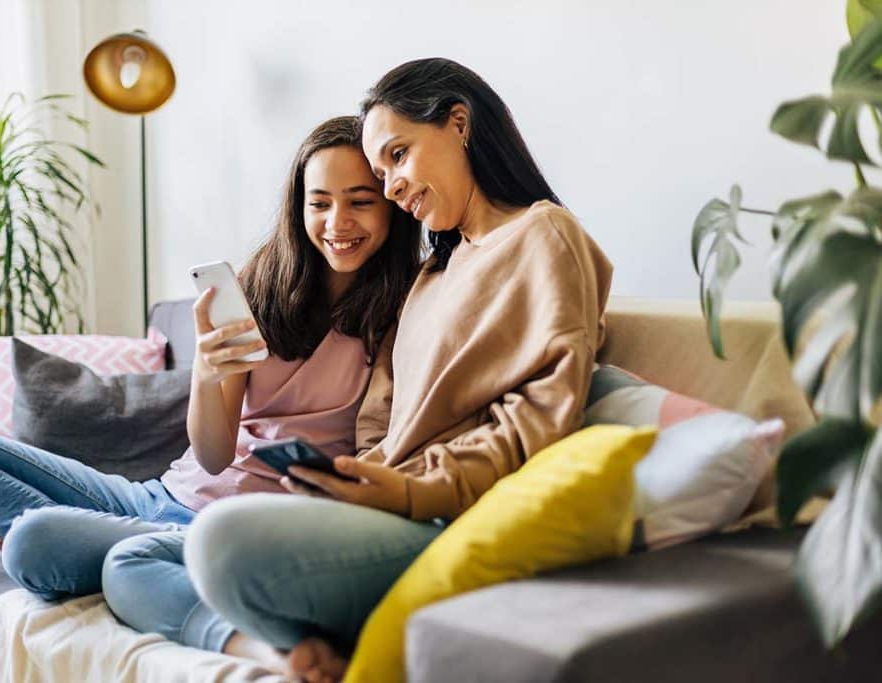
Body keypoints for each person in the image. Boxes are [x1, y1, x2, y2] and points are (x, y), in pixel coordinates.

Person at [0, 115, 421, 667]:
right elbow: (210, 456)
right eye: (320, 202)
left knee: (30, 544)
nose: (337, 222)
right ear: (297, 206)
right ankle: (116, 540)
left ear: (392, 207)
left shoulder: (406, 310)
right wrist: (208, 374)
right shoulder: (258, 286)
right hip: (161, 499)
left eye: (360, 202)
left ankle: (135, 561)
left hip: (242, 530)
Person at [182, 57, 615, 682]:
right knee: (146, 555)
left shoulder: (543, 234)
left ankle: (284, 638)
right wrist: (356, 477)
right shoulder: (435, 272)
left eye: (397, 157)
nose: (391, 188)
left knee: (216, 543)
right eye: (381, 173)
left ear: (458, 124)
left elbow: (541, 417)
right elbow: (382, 420)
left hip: (438, 513)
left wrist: (411, 490)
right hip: (382, 505)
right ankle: (296, 639)